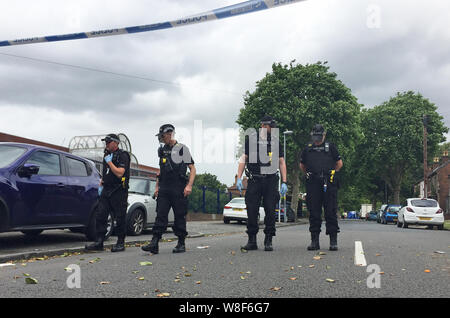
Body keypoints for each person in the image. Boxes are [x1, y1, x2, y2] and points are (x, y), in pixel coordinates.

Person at [236, 115, 288, 251]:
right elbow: (244, 158)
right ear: (265, 126)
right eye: (270, 126)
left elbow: (281, 162)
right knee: (252, 211)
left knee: (270, 211)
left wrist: (284, 181)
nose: (271, 128)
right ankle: (252, 240)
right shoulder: (252, 140)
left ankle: (268, 239)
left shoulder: (276, 142)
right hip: (254, 180)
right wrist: (239, 178)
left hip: (271, 180)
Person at [141, 124, 196, 254]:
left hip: (179, 187)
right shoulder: (162, 150)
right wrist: (156, 186)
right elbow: (161, 170)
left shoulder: (182, 149)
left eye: (163, 135)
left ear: (170, 133)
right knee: (160, 215)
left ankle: (181, 243)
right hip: (164, 187)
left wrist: (189, 186)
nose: (161, 138)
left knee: (179, 216)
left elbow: (192, 168)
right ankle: (154, 243)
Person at [300, 124, 343, 251]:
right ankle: (314, 241)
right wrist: (310, 173)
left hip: (328, 183)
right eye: (315, 136)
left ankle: (333, 241)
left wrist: (331, 173)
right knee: (314, 212)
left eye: (319, 136)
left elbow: (339, 163)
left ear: (324, 135)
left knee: (330, 211)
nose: (317, 139)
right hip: (313, 183)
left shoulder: (331, 148)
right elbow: (302, 165)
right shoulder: (307, 149)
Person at [85, 133, 130, 253]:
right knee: (101, 215)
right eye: (106, 143)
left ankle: (120, 243)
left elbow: (120, 172)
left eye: (108, 142)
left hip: (119, 190)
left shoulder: (123, 155)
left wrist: (110, 162)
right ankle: (99, 241)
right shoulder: (107, 155)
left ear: (116, 143)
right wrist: (102, 182)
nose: (106, 145)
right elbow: (107, 173)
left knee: (120, 217)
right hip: (106, 189)